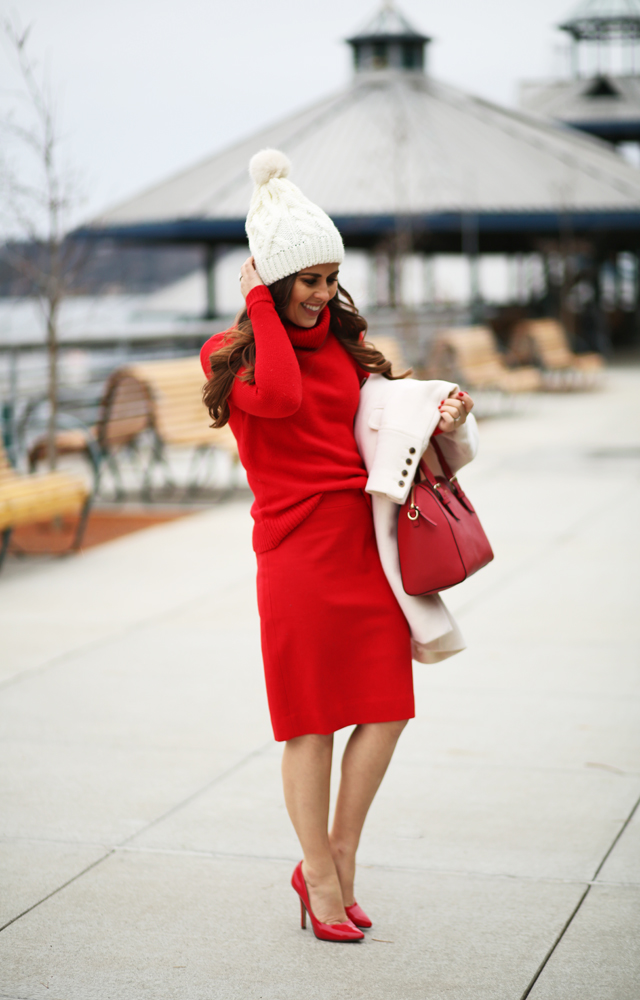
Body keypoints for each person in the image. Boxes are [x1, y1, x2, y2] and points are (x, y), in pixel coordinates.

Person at [201, 149, 474, 943]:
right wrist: (259, 302)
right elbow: (281, 397)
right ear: (272, 279)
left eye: (330, 278)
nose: (323, 294)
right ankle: (317, 874)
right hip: (295, 556)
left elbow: (381, 417)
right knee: (310, 723)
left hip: (363, 545)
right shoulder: (230, 353)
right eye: (308, 279)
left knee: (387, 709)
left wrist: (442, 415)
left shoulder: (342, 340)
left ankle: (340, 851)